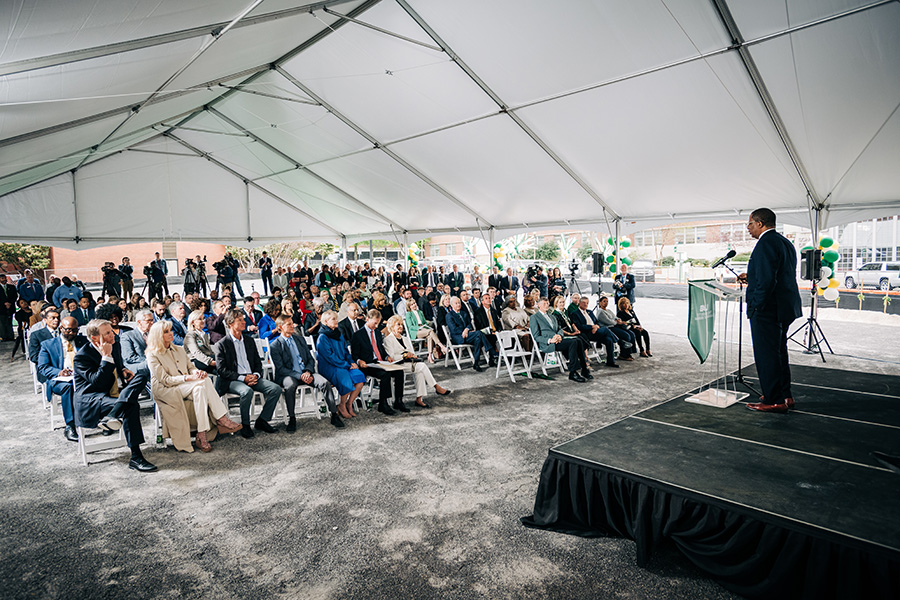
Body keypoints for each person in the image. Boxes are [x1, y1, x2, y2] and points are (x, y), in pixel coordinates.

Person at [738, 208, 802, 413]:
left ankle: (773, 400)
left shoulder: (765, 243)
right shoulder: (784, 242)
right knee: (779, 352)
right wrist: (752, 277)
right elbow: (778, 273)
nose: (748, 228)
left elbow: (767, 281)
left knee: (766, 355)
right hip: (785, 307)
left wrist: (756, 304)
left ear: (760, 223)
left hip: (768, 309)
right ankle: (785, 395)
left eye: (750, 224)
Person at [73, 319, 156, 472]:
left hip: (116, 394)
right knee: (131, 405)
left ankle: (113, 413)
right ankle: (136, 457)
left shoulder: (115, 345)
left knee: (141, 376)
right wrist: (106, 357)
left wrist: (122, 369)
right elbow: (98, 383)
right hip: (92, 398)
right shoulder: (82, 356)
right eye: (108, 333)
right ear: (95, 338)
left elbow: (117, 366)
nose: (113, 335)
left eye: (111, 331)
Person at [146, 320, 241, 452]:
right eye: (166, 332)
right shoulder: (152, 354)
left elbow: (191, 368)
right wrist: (189, 377)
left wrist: (198, 373)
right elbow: (165, 380)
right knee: (202, 383)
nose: (171, 333)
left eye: (170, 330)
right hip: (166, 389)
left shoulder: (179, 349)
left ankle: (201, 434)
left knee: (200, 388)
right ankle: (222, 418)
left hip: (186, 385)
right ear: (158, 336)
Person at [214, 309, 282, 437]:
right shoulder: (221, 344)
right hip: (232, 380)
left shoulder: (249, 341)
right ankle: (245, 425)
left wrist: (255, 375)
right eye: (240, 320)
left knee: (275, 389)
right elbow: (221, 370)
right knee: (247, 391)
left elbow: (257, 362)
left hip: (251, 376)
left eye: (243, 319)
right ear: (230, 323)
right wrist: (242, 378)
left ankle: (262, 420)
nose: (244, 322)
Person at [269, 315, 341, 430]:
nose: (292, 326)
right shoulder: (275, 345)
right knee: (290, 385)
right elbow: (280, 368)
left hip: (306, 372)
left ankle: (334, 414)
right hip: (288, 375)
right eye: (289, 324)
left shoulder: (300, 339)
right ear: (280, 327)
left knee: (324, 383)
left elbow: (310, 359)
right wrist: (300, 375)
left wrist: (307, 371)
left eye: (292, 323)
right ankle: (292, 418)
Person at [36, 316, 87, 441]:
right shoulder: (48, 345)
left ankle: (101, 418)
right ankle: (70, 425)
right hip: (59, 380)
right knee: (68, 388)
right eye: (68, 330)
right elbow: (42, 367)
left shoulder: (84, 341)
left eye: (75, 330)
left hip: (81, 376)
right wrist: (59, 372)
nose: (72, 333)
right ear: (61, 328)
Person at [383, 315, 450, 408]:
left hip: (409, 362)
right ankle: (436, 387)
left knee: (420, 371)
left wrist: (412, 355)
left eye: (401, 324)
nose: (401, 326)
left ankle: (419, 399)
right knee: (422, 366)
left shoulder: (405, 339)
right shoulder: (388, 340)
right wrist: (405, 355)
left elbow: (412, 352)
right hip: (398, 364)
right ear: (391, 327)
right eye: (398, 324)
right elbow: (392, 356)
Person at [350, 309, 408, 414]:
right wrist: (359, 361)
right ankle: (383, 403)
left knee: (399, 372)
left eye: (378, 323)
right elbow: (354, 354)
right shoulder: (358, 335)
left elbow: (381, 349)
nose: (377, 326)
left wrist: (386, 357)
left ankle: (398, 401)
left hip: (380, 362)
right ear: (367, 319)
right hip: (368, 364)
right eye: (375, 323)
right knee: (385, 375)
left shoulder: (376, 332)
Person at [315, 310, 366, 419]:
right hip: (329, 367)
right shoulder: (322, 337)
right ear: (325, 321)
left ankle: (349, 403)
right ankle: (342, 405)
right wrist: (346, 365)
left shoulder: (338, 334)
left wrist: (351, 362)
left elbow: (345, 351)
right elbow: (330, 357)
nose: (336, 321)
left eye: (336, 318)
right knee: (344, 376)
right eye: (333, 319)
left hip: (343, 364)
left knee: (359, 376)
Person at [529, 297, 591, 382]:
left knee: (578, 340)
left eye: (547, 303)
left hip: (558, 339)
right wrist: (550, 340)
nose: (546, 305)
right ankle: (573, 372)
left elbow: (559, 329)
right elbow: (536, 336)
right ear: (539, 305)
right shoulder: (534, 317)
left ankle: (584, 369)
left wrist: (559, 336)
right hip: (548, 343)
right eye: (544, 304)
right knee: (573, 342)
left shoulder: (552, 316)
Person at [446, 296, 496, 372]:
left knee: (478, 339)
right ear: (452, 305)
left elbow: (469, 324)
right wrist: (465, 331)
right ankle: (490, 350)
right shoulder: (449, 315)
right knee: (479, 333)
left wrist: (467, 329)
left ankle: (476, 363)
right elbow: (454, 329)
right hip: (458, 337)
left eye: (459, 303)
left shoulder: (464, 313)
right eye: (456, 303)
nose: (458, 304)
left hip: (467, 335)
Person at [404, 297, 446, 363]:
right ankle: (442, 346)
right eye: (412, 304)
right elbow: (410, 326)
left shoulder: (420, 312)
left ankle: (430, 355)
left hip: (423, 329)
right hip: (415, 331)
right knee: (430, 331)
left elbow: (425, 323)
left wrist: (425, 327)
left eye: (414, 303)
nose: (414, 305)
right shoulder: (408, 314)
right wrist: (419, 328)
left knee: (430, 336)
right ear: (409, 306)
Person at [595, 295, 635, 363]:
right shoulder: (600, 312)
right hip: (609, 328)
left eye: (607, 301)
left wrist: (618, 320)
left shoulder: (608, 310)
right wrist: (617, 322)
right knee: (625, 335)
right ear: (600, 302)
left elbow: (615, 317)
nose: (606, 303)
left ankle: (629, 352)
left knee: (631, 333)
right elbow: (608, 321)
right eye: (604, 301)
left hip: (614, 325)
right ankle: (623, 354)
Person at [120, 309, 154, 376]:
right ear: (139, 322)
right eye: (148, 321)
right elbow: (129, 357)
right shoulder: (127, 336)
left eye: (152, 320)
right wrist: (150, 360)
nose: (152, 323)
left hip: (151, 362)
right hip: (136, 365)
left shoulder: (153, 334)